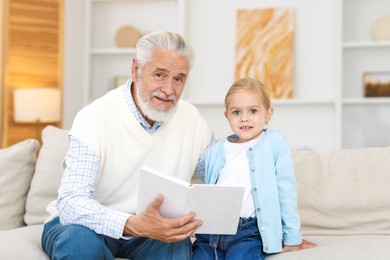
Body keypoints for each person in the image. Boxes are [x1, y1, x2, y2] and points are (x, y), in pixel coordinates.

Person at [41, 31, 215, 260]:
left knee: (176, 245)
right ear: (135, 69)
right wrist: (132, 224)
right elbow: (71, 203)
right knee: (80, 244)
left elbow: (223, 170)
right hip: (85, 227)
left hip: (153, 232)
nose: (169, 90)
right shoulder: (94, 117)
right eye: (160, 75)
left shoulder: (191, 119)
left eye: (179, 78)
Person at [192, 78, 316, 259]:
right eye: (236, 112)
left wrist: (292, 238)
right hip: (212, 232)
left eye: (253, 111)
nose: (244, 118)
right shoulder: (215, 150)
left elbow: (286, 192)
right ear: (227, 116)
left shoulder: (274, 142)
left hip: (249, 233)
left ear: (268, 114)